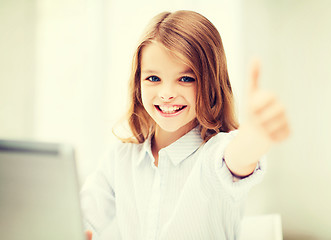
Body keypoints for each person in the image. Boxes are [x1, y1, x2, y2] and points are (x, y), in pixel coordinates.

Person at [81, 10, 290, 240]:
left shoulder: (214, 156)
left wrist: (257, 133)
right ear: (138, 82)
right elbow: (82, 218)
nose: (167, 94)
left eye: (186, 79)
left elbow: (240, 155)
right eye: (153, 78)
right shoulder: (119, 159)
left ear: (210, 84)